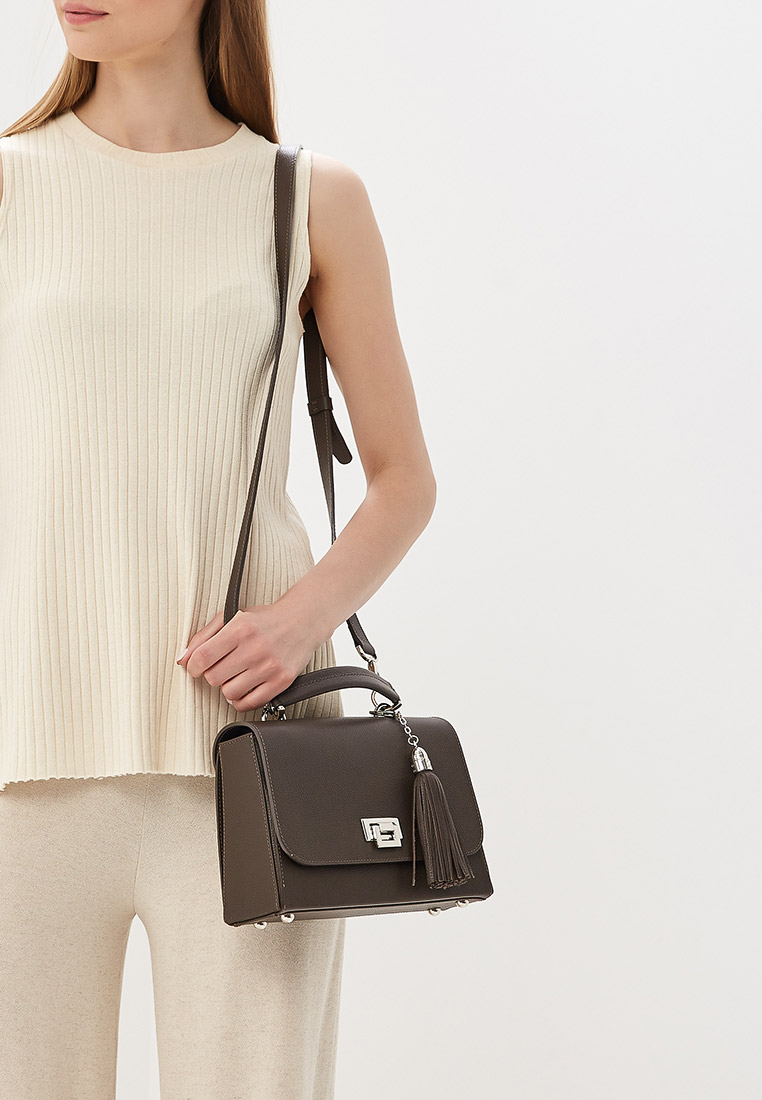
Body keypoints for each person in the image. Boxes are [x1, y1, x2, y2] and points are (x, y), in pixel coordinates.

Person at [0, 1, 437, 1097]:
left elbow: (402, 480)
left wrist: (299, 622)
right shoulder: (9, 183)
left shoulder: (307, 198)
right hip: (21, 755)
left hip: (254, 761)